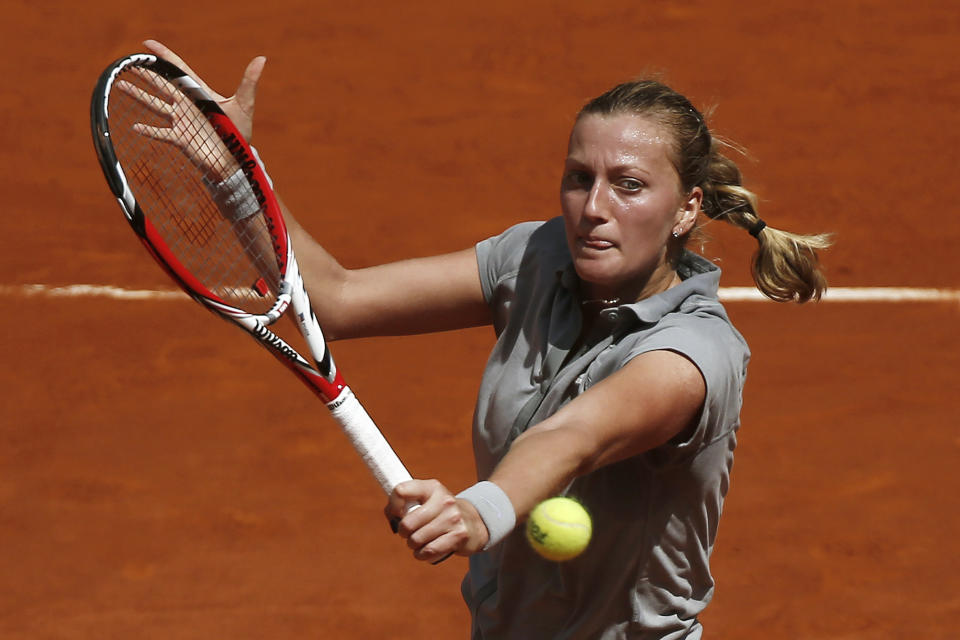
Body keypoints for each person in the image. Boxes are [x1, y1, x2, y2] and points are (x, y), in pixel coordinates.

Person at [141, 40, 831, 639]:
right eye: (578, 179)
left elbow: (573, 438)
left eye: (629, 186)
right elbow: (334, 298)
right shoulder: (534, 257)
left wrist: (476, 511)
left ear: (687, 209)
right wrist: (231, 166)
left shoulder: (694, 355)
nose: (594, 208)